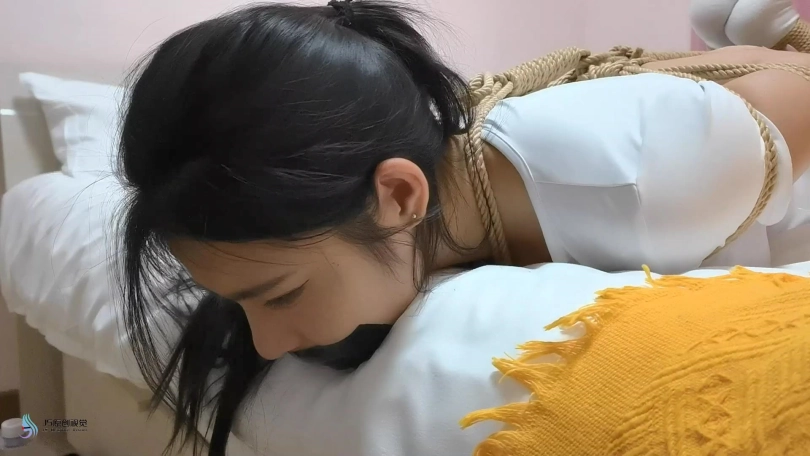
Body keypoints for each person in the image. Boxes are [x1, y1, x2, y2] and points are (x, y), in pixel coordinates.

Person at [115, 0, 810, 454]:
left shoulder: (642, 179)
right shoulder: (416, 200)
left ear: (398, 196)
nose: (268, 344)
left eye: (281, 294)